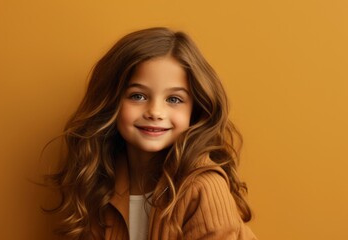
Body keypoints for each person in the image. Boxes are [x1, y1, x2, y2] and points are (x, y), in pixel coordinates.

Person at [46, 27, 257, 240]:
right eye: (137, 96)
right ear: (112, 102)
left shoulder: (203, 187)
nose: (155, 112)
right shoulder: (100, 180)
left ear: (195, 110)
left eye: (174, 99)